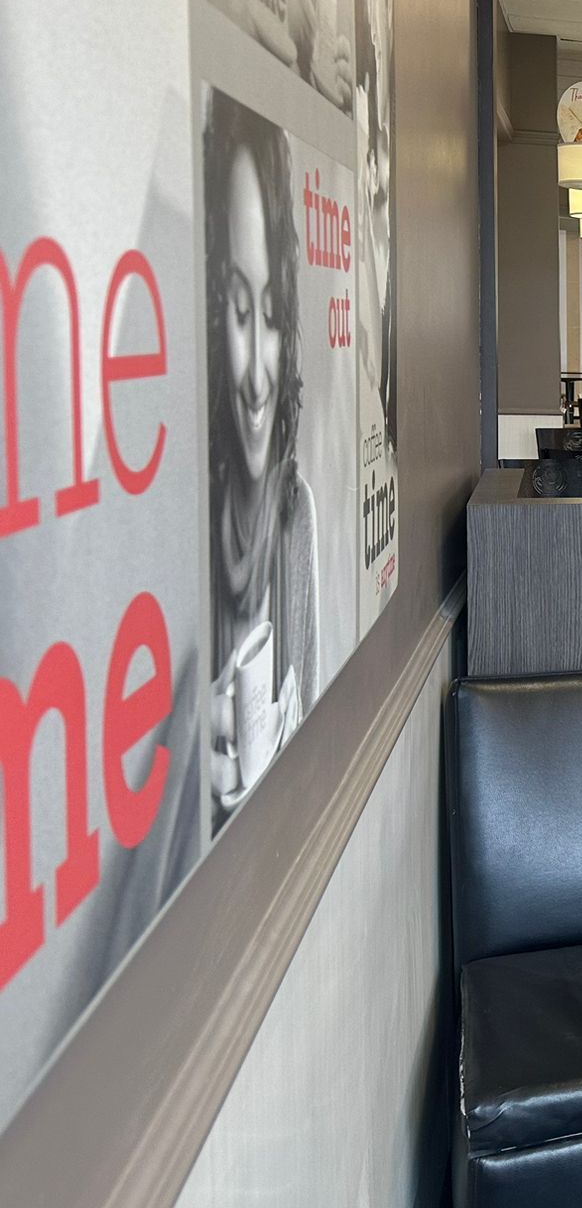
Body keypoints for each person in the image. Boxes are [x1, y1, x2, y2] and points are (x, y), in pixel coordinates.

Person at [204, 88, 318, 822]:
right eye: (239, 309)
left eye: (272, 315)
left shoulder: (294, 517)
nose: (254, 375)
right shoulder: (185, 534)